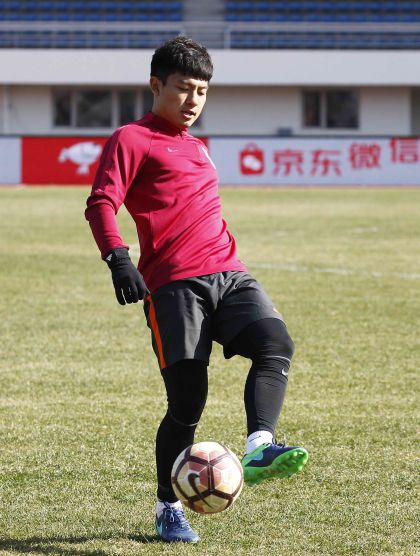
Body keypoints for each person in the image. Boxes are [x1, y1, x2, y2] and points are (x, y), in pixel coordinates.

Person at [85, 36, 308, 544]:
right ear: (156, 84)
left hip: (228, 272)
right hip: (173, 286)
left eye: (202, 91)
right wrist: (118, 258)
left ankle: (259, 445)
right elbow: (101, 202)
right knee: (188, 401)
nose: (193, 101)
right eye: (184, 88)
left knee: (275, 343)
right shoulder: (131, 138)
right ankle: (168, 507)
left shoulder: (199, 148)